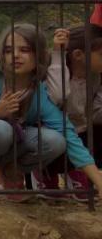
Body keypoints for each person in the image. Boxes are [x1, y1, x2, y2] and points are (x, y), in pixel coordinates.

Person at [0, 23, 102, 201]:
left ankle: (13, 171)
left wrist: (98, 181)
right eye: (8, 50)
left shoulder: (38, 90)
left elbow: (67, 132)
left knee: (56, 140)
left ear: (39, 55)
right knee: (1, 129)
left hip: (17, 142)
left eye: (25, 50)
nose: (15, 55)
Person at [46, 24, 102, 198]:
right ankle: (43, 173)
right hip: (52, 132)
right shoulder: (55, 74)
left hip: (81, 131)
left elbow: (95, 111)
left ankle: (77, 170)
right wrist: (58, 55)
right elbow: (57, 95)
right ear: (78, 55)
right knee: (55, 140)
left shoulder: (95, 77)